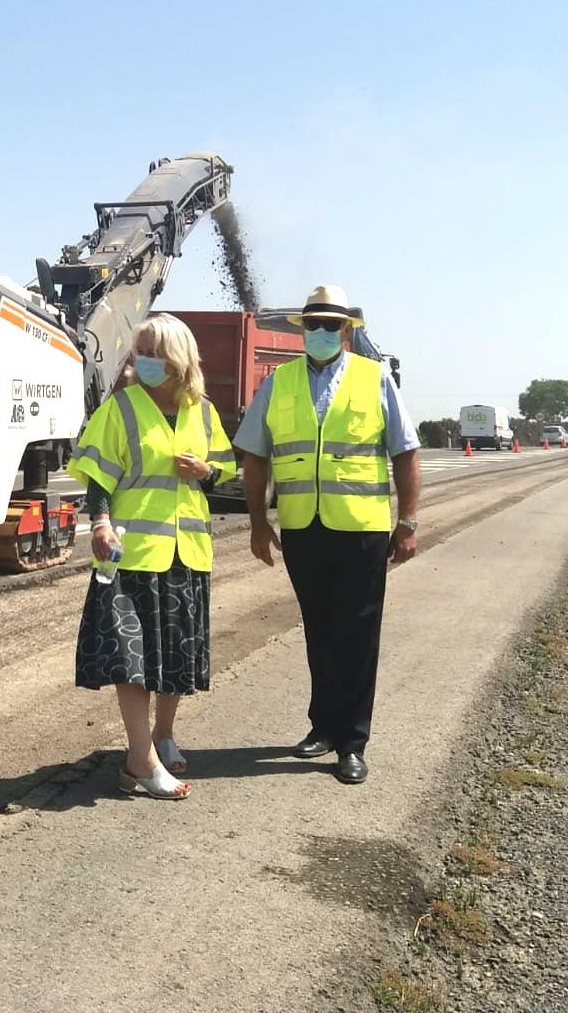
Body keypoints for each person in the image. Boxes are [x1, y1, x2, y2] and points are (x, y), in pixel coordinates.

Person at [233, 284, 421, 785]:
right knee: (318, 630)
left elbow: (405, 453)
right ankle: (322, 726)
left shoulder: (375, 377)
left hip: (360, 531)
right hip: (302, 528)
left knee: (357, 635)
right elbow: (255, 454)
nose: (320, 332)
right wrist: (257, 522)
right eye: (312, 324)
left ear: (346, 330)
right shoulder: (279, 383)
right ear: (302, 330)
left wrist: (407, 524)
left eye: (330, 325)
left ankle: (352, 741)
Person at [68, 314, 237, 800]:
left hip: (188, 553)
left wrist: (206, 470)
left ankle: (163, 734)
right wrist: (98, 522)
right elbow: (98, 476)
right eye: (139, 351)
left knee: (175, 657)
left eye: (153, 352)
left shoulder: (202, 412)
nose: (142, 360)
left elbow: (222, 470)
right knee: (132, 658)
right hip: (132, 553)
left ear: (178, 359)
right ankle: (140, 759)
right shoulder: (120, 408)